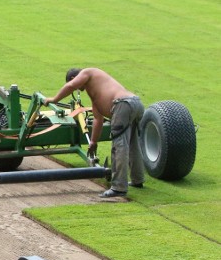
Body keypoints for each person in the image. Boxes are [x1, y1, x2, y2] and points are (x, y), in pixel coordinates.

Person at [43, 68, 145, 198]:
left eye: (76, 87)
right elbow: (98, 119)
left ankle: (119, 188)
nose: (76, 90)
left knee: (119, 146)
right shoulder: (95, 93)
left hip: (123, 104)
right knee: (133, 142)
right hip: (135, 103)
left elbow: (70, 86)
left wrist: (54, 99)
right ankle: (138, 180)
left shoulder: (87, 72)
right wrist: (93, 142)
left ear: (74, 78)